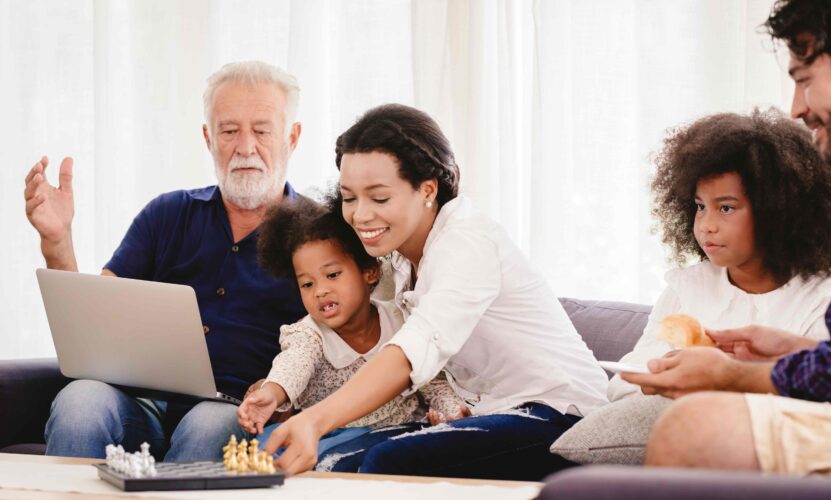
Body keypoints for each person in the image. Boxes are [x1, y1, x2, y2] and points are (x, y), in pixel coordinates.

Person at [261, 103, 610, 480]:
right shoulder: (398, 254)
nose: (360, 215)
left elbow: (411, 350)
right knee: (337, 465)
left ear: (427, 189)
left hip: (560, 415)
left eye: (379, 198)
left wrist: (314, 421)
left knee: (388, 463)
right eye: (349, 198)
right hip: (489, 412)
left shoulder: (467, 243)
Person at [623, 0, 831, 479]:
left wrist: (730, 375)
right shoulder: (689, 284)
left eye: (806, 80)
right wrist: (796, 351)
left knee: (692, 430)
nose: (797, 108)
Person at [24, 61, 308, 461]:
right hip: (139, 402)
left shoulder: (316, 235)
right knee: (80, 401)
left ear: (291, 138)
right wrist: (58, 241)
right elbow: (95, 325)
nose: (245, 147)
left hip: (234, 411)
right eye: (229, 131)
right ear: (208, 137)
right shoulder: (167, 214)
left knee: (209, 426)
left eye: (262, 131)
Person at [608, 108, 831, 403]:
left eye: (726, 208)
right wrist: (656, 377)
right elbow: (619, 384)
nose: (707, 225)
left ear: (778, 212)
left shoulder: (825, 299)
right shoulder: (688, 287)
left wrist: (725, 378)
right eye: (700, 207)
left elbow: (828, 401)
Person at [237, 197, 466, 460]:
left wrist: (452, 413)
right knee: (270, 450)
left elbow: (433, 384)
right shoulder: (308, 334)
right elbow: (292, 365)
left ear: (369, 272)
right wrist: (271, 393)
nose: (320, 291)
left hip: (398, 432)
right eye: (307, 284)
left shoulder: (401, 321)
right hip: (331, 436)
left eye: (332, 275)